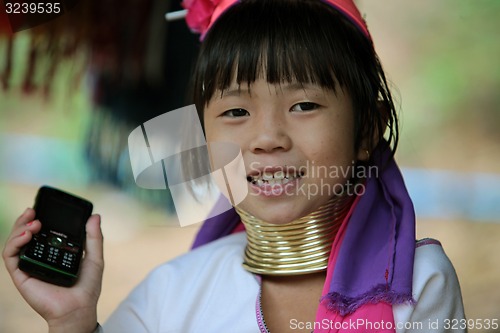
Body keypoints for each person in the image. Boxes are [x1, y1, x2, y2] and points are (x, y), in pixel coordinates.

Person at [2, 0, 466, 332]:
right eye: (236, 112)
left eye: (304, 105)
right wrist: (71, 321)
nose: (267, 138)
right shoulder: (174, 290)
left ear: (368, 130)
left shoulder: (417, 282)